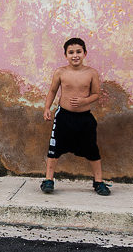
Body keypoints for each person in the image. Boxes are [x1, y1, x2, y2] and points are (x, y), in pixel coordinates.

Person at [41, 37, 111, 196]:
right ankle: (48, 180)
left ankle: (98, 182)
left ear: (85, 53)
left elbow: (96, 94)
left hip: (84, 118)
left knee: (92, 149)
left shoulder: (91, 73)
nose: (75, 55)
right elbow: (52, 91)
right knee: (54, 149)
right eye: (71, 52)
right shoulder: (60, 72)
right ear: (65, 55)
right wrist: (47, 108)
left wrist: (84, 101)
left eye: (78, 51)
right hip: (63, 117)